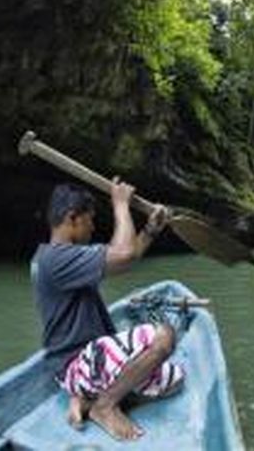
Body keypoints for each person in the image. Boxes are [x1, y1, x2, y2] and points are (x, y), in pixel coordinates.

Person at [31, 178, 185, 441]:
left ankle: (88, 399)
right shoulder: (54, 260)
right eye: (89, 219)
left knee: (175, 380)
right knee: (165, 336)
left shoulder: (64, 257)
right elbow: (123, 253)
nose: (92, 227)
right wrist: (120, 204)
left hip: (92, 363)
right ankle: (104, 407)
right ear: (72, 219)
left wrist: (151, 228)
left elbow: (128, 256)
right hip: (77, 363)